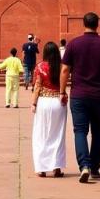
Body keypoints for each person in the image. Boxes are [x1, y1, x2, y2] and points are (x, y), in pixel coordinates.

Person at [60, 12, 100, 183]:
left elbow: (65, 70)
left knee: (80, 131)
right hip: (99, 96)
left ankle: (84, 166)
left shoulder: (74, 44)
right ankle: (95, 168)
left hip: (79, 95)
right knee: (98, 132)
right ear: (98, 24)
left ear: (84, 24)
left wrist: (61, 91)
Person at [31, 41, 68, 178]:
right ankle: (57, 168)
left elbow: (37, 86)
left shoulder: (40, 66)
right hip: (59, 102)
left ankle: (42, 168)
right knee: (58, 135)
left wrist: (33, 103)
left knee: (41, 134)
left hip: (44, 102)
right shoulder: (62, 67)